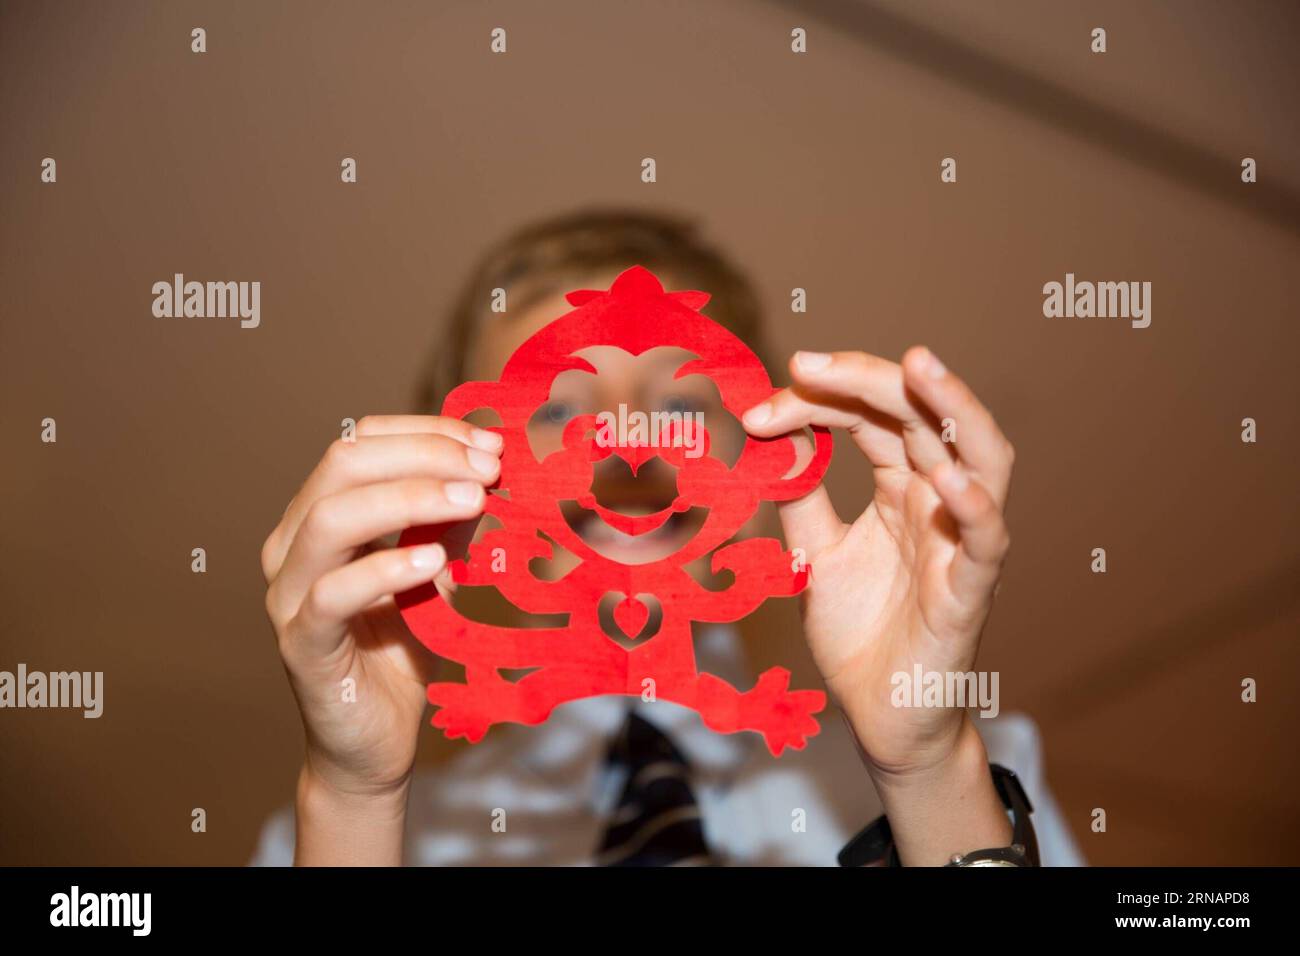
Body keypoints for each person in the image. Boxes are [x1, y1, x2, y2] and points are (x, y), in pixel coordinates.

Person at [253, 209, 1083, 866]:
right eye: (556, 409)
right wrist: (356, 802)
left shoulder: (977, 779)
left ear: (771, 453)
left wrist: (926, 767)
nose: (629, 444)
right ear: (468, 469)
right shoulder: (342, 834)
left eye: (684, 407)